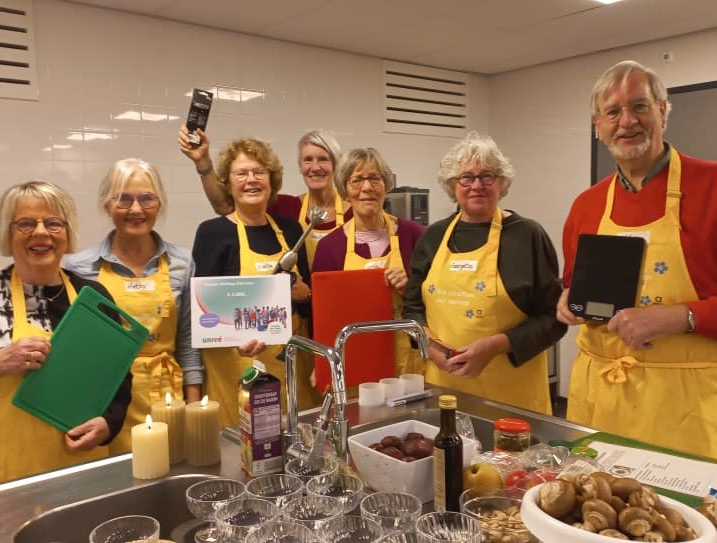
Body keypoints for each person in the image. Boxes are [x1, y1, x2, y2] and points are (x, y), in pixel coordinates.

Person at [558, 60, 717, 459]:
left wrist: (681, 316)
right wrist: (568, 301)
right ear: (597, 125)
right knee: (587, 514)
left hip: (678, 408)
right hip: (595, 400)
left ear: (663, 112)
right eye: (612, 112)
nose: (627, 122)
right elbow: (572, 284)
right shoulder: (587, 205)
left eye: (639, 106)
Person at [0, 181, 131, 494]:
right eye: (26, 224)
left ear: (67, 233)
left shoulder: (91, 296)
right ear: (8, 234)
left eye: (53, 223)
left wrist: (108, 423)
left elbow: (117, 376)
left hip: (77, 479)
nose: (41, 233)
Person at [403, 132, 566, 414]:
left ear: (501, 183)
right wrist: (429, 347)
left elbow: (554, 318)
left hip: (512, 399)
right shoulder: (433, 236)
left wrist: (495, 345)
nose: (476, 185)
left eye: (487, 176)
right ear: (453, 186)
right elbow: (412, 310)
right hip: (445, 391)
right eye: (466, 177)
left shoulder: (527, 235)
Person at [65, 158, 201, 454]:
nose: (136, 209)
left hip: (168, 399)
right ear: (106, 205)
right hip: (105, 404)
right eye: (123, 199)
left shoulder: (181, 263)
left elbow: (188, 341)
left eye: (146, 199)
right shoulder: (79, 267)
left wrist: (193, 406)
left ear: (159, 204)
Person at [191, 137, 318, 427]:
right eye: (241, 173)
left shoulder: (290, 229)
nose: (251, 180)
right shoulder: (213, 233)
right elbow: (203, 311)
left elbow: (311, 299)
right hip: (237, 366)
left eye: (259, 172)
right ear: (228, 183)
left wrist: (304, 294)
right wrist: (236, 341)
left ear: (272, 181)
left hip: (290, 364)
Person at [312, 147, 426, 380]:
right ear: (344, 190)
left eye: (375, 178)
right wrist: (322, 364)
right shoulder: (330, 246)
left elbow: (435, 299)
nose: (367, 188)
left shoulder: (413, 234)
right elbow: (323, 314)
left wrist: (409, 289)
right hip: (354, 355)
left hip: (407, 359)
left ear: (385, 185)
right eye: (356, 180)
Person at [179, 126, 353, 267]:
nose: (315, 167)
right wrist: (203, 163)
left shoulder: (353, 213)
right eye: (308, 160)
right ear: (300, 166)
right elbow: (225, 206)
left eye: (323, 159)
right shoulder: (286, 207)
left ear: (336, 164)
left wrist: (305, 295)